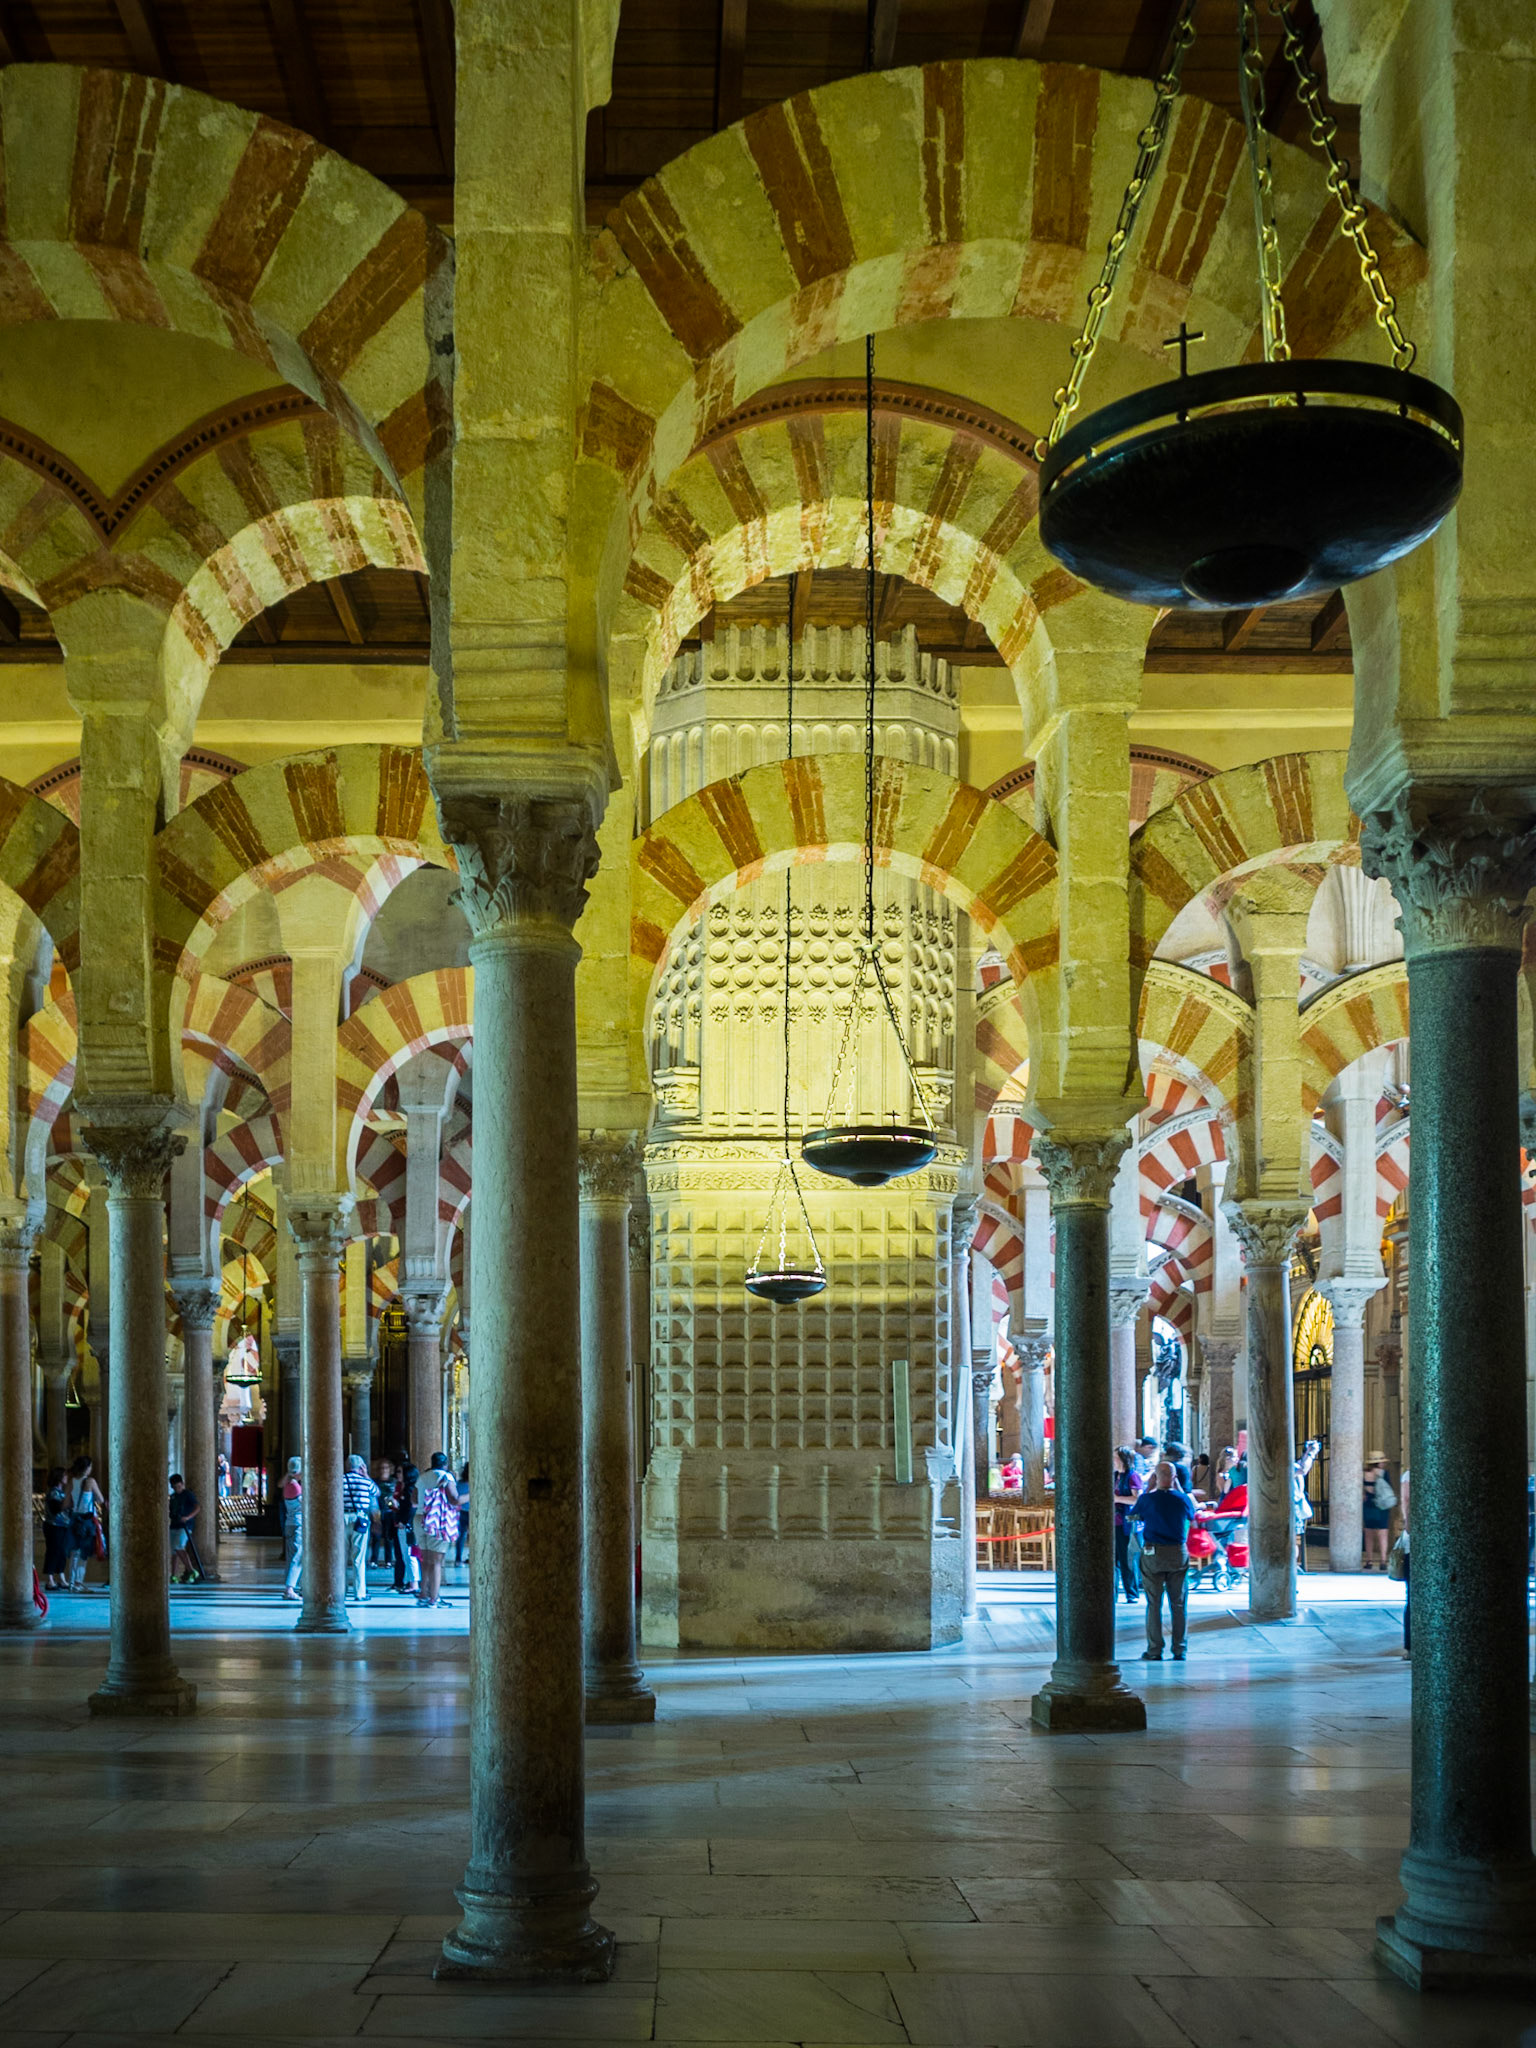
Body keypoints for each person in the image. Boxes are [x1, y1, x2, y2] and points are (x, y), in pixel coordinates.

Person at [1132, 1460, 1197, 1661]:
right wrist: (1177, 1487)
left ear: (1155, 1477)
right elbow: (1192, 1516)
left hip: (1154, 1553)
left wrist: (1149, 1488)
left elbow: (1133, 1517)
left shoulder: (1147, 1500)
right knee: (1178, 1604)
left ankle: (1154, 1650)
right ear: (1175, 1478)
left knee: (1154, 1603)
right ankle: (1179, 1649)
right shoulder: (1183, 1499)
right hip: (1178, 1553)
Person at [413, 1452, 460, 1608]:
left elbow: (414, 1499)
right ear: (445, 1464)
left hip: (420, 1518)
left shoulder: (422, 1476)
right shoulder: (446, 1477)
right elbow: (454, 1499)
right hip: (437, 1521)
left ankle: (423, 1595)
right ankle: (435, 1599)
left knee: (425, 1560)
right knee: (437, 1562)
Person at [342, 1454, 380, 1602]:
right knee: (358, 1557)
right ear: (361, 1467)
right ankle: (359, 1592)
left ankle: (341, 1590)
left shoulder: (341, 1480)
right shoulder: (365, 1482)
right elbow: (377, 1492)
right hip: (360, 1519)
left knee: (341, 1557)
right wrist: (367, 1476)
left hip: (342, 1518)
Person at [66, 1454, 103, 1592]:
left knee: (74, 1551)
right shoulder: (90, 1481)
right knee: (84, 1552)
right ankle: (78, 1582)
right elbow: (99, 1498)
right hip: (87, 1520)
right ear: (87, 1468)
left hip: (75, 1518)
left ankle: (71, 1582)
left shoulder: (71, 1481)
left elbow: (67, 1502)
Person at [1112, 1446, 1144, 1603]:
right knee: (1114, 1559)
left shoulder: (1133, 1477)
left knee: (1127, 1559)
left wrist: (1117, 1499)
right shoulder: (1115, 1476)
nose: (1114, 1461)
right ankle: (1113, 1594)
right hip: (1114, 1522)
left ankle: (1131, 1593)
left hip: (1127, 1523)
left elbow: (1137, 1499)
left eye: (1116, 1458)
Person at [1362, 1454, 1395, 1569]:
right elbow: (1388, 1489)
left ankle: (1369, 1560)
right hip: (1381, 1506)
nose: (1384, 1463)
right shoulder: (1383, 1473)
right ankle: (1383, 1561)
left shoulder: (1364, 1474)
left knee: (1368, 1533)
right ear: (1379, 1463)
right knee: (1383, 1533)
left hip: (1368, 1505)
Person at [168, 1474, 202, 1585]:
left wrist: (187, 1517)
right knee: (174, 1550)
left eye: (178, 1486)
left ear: (182, 1484)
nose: (176, 1489)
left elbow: (197, 1507)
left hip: (185, 1526)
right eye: (174, 1487)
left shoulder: (188, 1495)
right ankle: (173, 1575)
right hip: (174, 1525)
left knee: (178, 1546)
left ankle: (191, 1570)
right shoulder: (173, 1497)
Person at [1294, 1438, 1321, 1572]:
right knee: (1291, 1540)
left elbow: (1301, 1465)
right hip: (1289, 1509)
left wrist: (1308, 1452)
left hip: (1292, 1508)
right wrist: (1312, 1454)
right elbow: (1303, 1469)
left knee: (1293, 1540)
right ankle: (1291, 1567)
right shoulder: (1287, 1466)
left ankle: (1291, 1566)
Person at [41, 1468, 71, 1591]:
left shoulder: (60, 1492)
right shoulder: (54, 1493)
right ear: (59, 1477)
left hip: (62, 1525)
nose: (67, 1478)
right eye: (65, 1475)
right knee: (53, 1552)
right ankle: (50, 1579)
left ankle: (61, 1577)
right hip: (53, 1526)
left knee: (62, 1552)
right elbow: (56, 1509)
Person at [280, 1455, 303, 1602]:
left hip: (289, 1523)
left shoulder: (288, 1484)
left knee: (291, 1557)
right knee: (297, 1557)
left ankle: (292, 1586)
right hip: (297, 1524)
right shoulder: (295, 1486)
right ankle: (290, 1588)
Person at [371, 1459, 396, 1568]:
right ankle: (374, 1560)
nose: (383, 1470)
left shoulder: (393, 1481)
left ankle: (388, 1560)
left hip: (389, 1511)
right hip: (377, 1510)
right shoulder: (375, 1482)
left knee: (388, 1537)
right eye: (381, 1468)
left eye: (386, 1468)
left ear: (390, 1469)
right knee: (376, 1536)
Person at [453, 1463, 470, 1567]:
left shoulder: (459, 1483)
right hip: (468, 1512)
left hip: (462, 1511)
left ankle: (458, 1559)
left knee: (461, 1536)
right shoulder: (475, 1484)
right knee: (465, 1536)